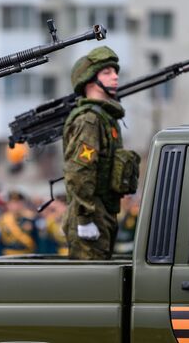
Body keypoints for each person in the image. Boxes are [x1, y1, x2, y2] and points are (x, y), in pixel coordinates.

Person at [62, 46, 140, 260]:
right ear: (89, 80)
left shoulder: (105, 119)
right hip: (89, 216)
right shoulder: (90, 120)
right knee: (92, 288)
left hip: (103, 213)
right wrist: (85, 218)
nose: (115, 77)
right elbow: (79, 172)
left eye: (115, 72)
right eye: (106, 72)